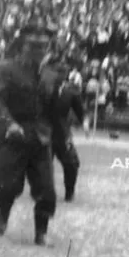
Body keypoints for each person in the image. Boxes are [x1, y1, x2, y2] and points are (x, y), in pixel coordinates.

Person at [0, 18, 57, 246]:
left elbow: (53, 107)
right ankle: (3, 214)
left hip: (40, 136)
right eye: (33, 46)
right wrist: (8, 123)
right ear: (22, 46)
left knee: (46, 189)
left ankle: (41, 233)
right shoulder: (7, 68)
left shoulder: (49, 74)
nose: (39, 51)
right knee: (8, 186)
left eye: (43, 47)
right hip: (14, 134)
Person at [44, 60, 86, 201]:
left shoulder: (71, 92)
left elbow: (80, 112)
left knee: (72, 163)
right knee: (41, 164)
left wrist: (84, 123)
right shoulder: (43, 89)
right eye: (57, 73)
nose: (59, 76)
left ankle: (69, 191)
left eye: (62, 73)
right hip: (45, 132)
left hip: (62, 133)